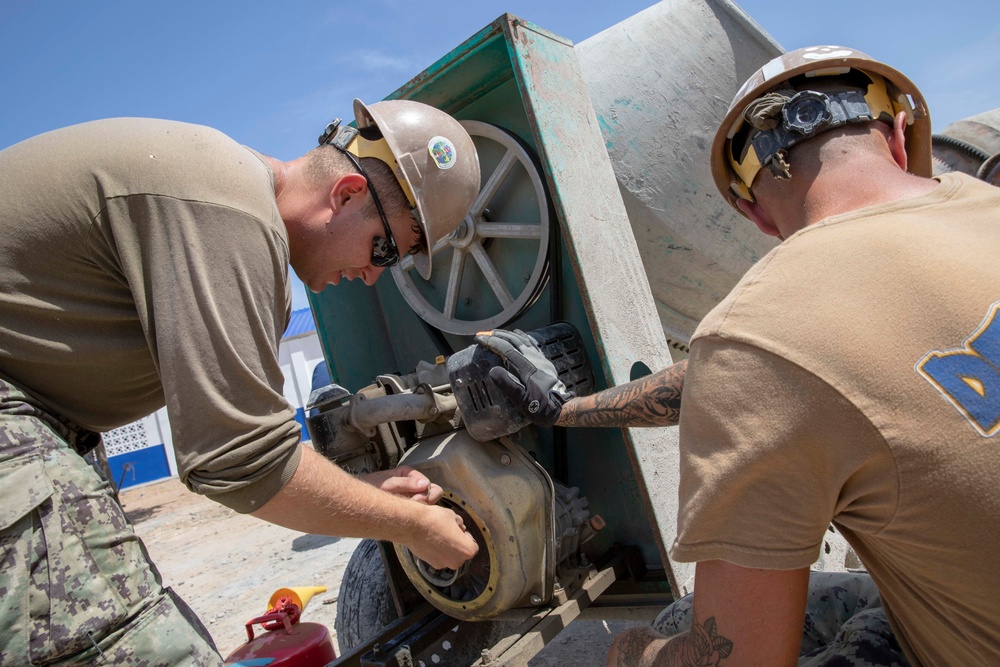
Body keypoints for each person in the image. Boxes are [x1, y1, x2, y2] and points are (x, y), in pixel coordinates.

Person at [478, 46, 1000, 666]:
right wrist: (567, 411)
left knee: (666, 628)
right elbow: (739, 377)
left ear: (751, 208)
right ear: (897, 133)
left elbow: (736, 659)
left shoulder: (758, 331)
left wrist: (622, 651)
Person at [0, 99, 481, 665]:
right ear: (346, 193)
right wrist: (415, 524)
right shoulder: (226, 209)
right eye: (384, 248)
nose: (373, 275)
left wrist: (370, 494)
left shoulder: (237, 217)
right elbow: (238, 462)